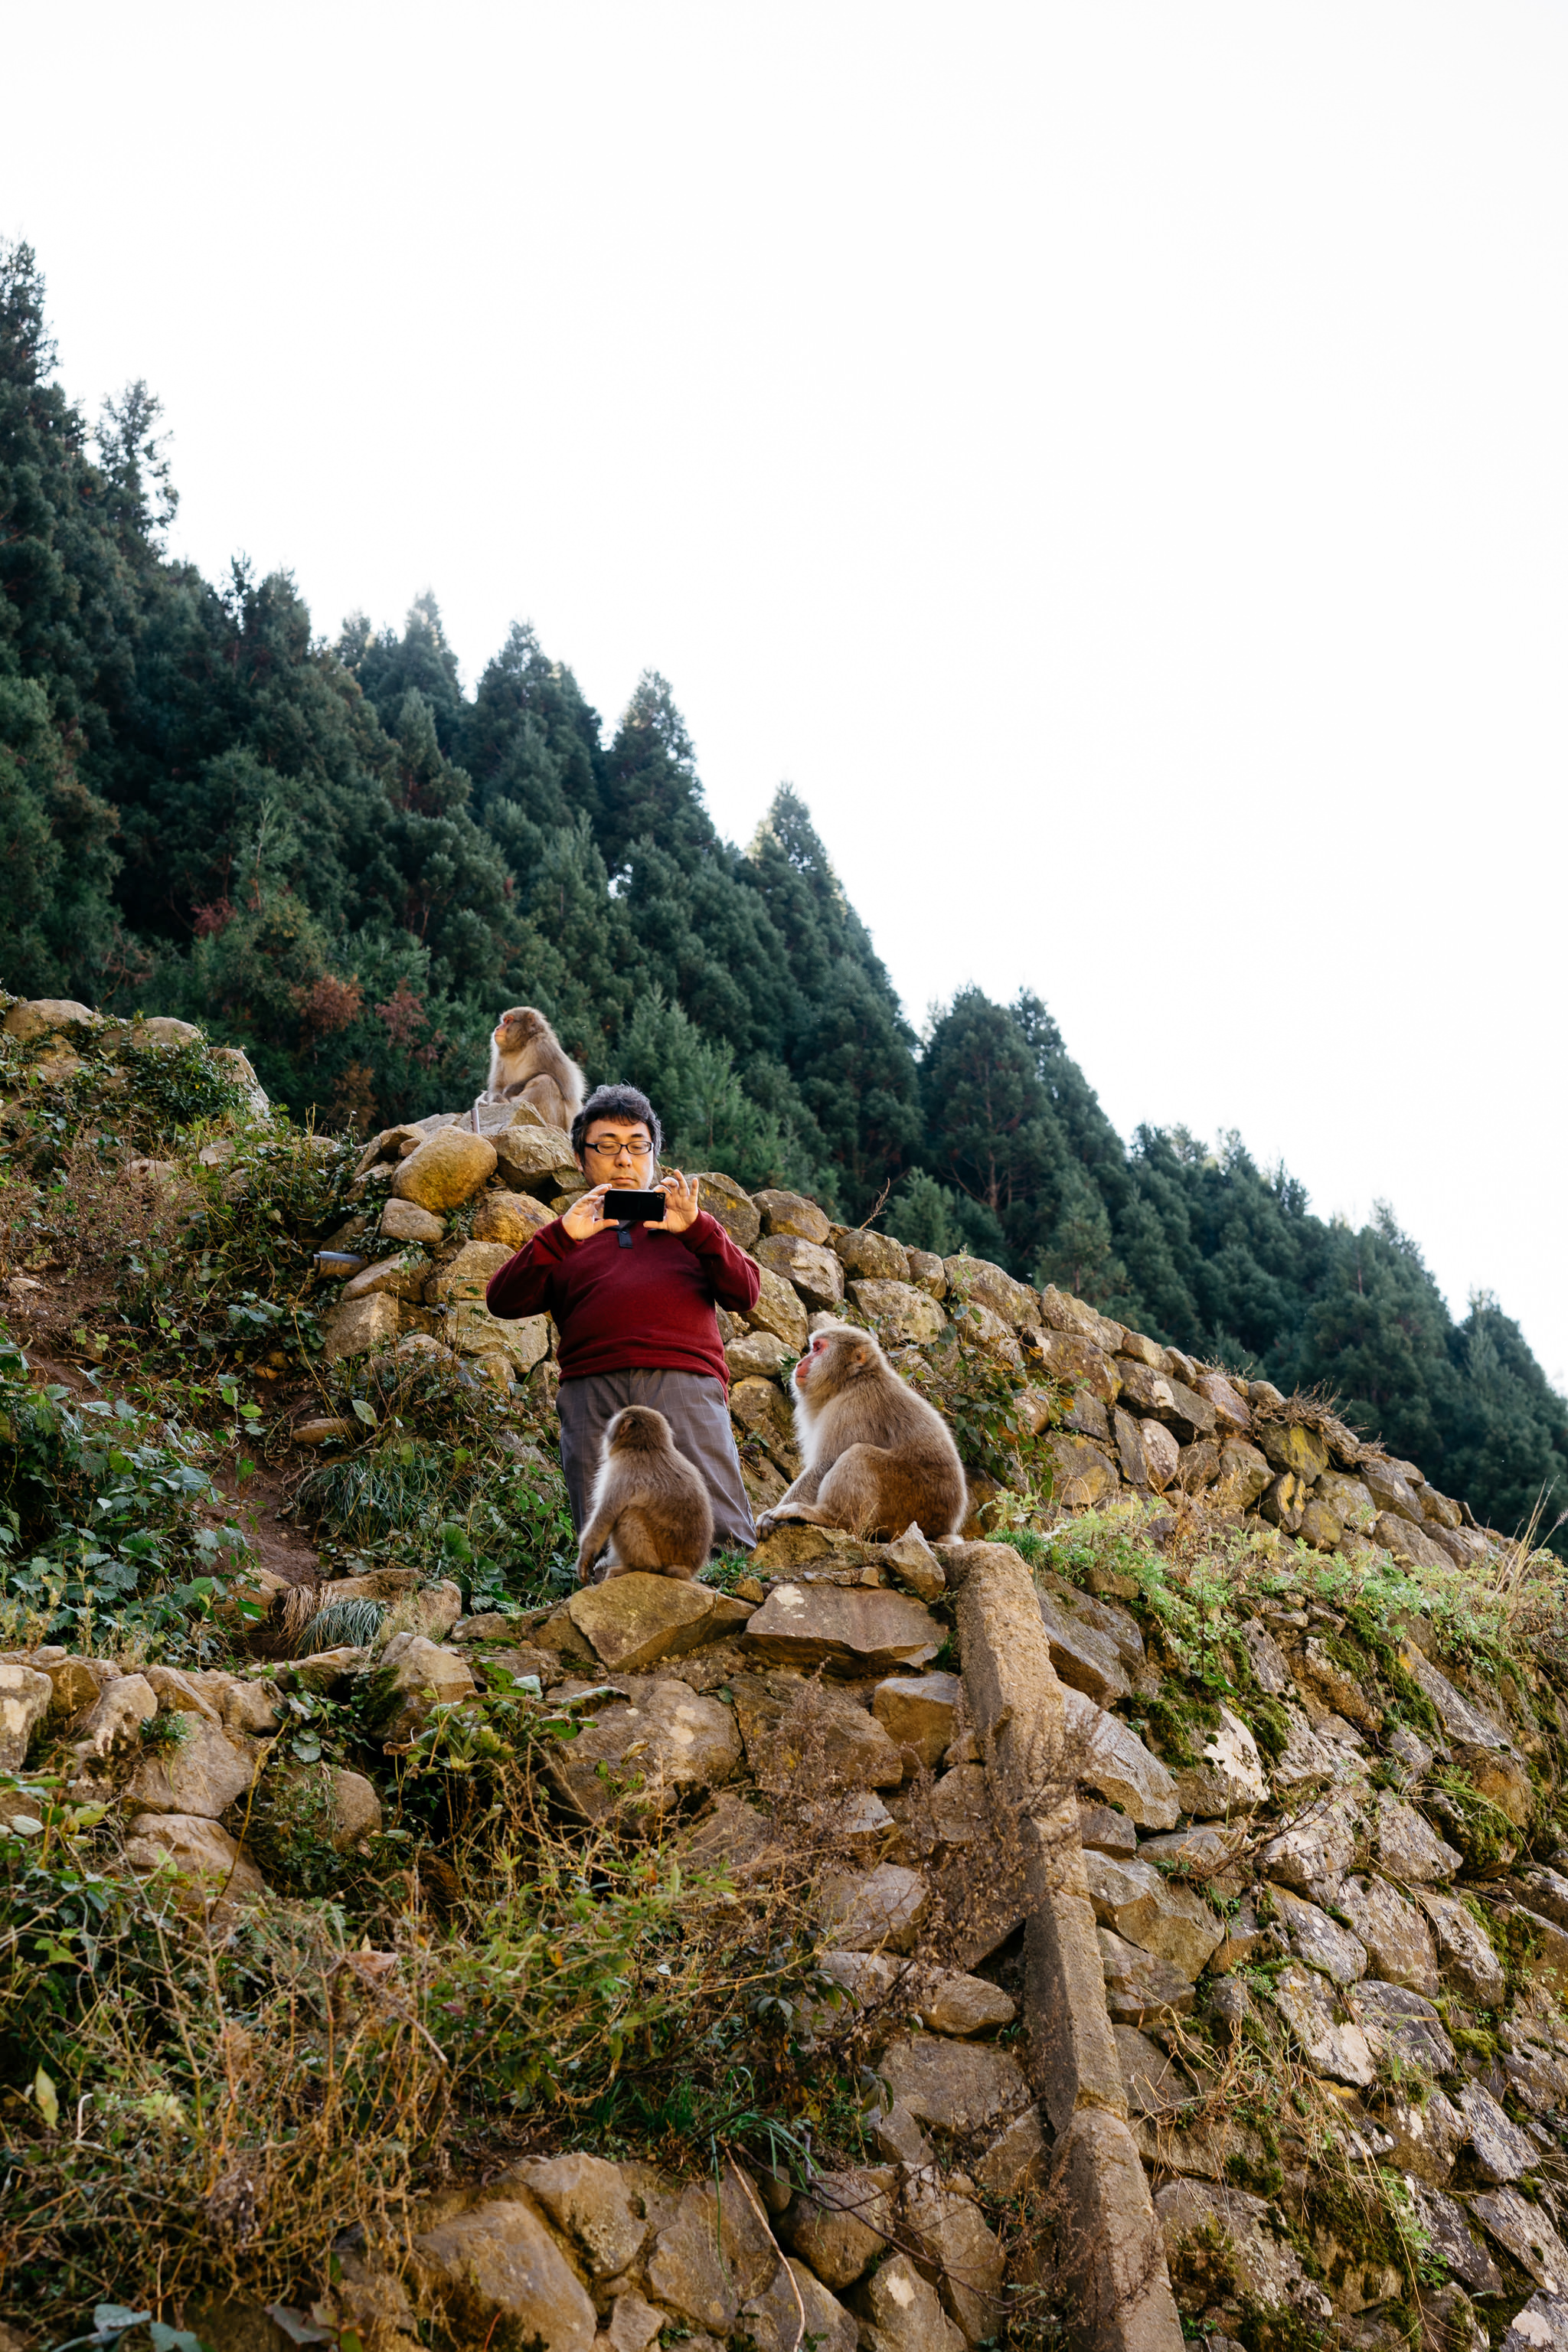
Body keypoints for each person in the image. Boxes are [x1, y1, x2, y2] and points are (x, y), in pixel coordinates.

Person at [485, 1082, 760, 1557]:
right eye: (607, 1147)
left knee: (720, 1533)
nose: (623, 1159)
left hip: (684, 1379)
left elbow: (746, 1292)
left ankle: (734, 1606)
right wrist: (560, 1237)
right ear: (580, 1159)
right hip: (592, 1388)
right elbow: (502, 1301)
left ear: (654, 1155)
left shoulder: (689, 1228)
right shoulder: (569, 1233)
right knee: (609, 1538)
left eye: (637, 1146)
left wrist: (698, 1229)